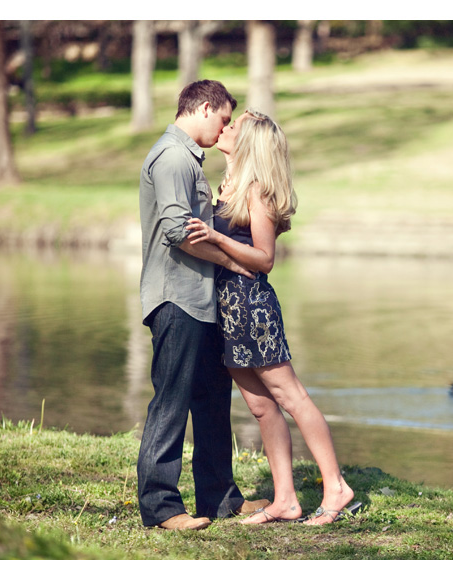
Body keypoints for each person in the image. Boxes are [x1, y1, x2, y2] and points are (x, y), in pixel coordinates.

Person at [186, 109, 358, 525]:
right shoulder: (228, 184)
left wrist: (215, 235)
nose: (225, 128)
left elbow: (265, 259)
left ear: (251, 143)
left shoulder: (258, 190)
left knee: (291, 396)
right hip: (225, 308)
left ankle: (336, 487)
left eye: (235, 126)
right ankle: (285, 500)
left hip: (251, 306)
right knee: (262, 408)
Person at [137, 80, 269, 531]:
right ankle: (161, 508)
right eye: (225, 119)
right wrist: (233, 261)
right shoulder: (173, 156)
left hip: (201, 300)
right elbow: (179, 232)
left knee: (212, 400)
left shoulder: (190, 157)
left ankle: (220, 498)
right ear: (205, 107)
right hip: (176, 298)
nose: (225, 128)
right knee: (171, 401)